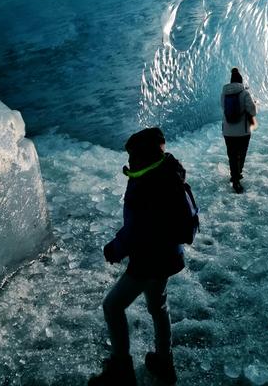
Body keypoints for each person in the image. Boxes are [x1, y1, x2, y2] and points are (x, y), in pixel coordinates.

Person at [89, 127, 187, 386]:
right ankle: (164, 362)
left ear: (143, 157)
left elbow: (139, 228)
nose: (129, 161)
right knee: (158, 306)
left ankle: (121, 369)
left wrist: (115, 249)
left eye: (132, 156)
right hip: (167, 254)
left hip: (149, 258)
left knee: (113, 306)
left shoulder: (148, 183)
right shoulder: (167, 172)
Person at [221, 67, 257, 194]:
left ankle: (234, 176)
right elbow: (252, 111)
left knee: (232, 155)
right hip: (243, 131)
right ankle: (237, 175)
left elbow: (223, 108)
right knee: (241, 154)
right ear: (241, 82)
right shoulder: (245, 93)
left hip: (228, 131)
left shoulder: (224, 93)